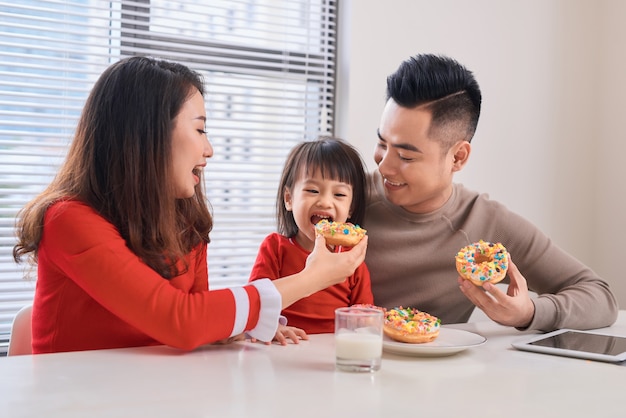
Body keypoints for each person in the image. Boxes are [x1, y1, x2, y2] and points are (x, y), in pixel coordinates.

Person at [12, 56, 367, 354]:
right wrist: (313, 278)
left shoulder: (185, 222)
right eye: (200, 130)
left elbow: (198, 323)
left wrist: (239, 325)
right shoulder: (68, 220)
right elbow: (180, 320)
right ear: (147, 135)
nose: (209, 149)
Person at [364, 53, 618, 331]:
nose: (384, 166)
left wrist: (528, 313)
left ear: (458, 157)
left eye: (405, 156)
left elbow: (600, 298)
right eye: (381, 143)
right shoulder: (342, 199)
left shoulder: (485, 224)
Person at [249, 137, 373, 341]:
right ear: (289, 199)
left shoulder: (351, 261)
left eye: (339, 194)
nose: (325, 201)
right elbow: (256, 302)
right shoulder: (275, 248)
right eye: (312, 190)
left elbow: (363, 315)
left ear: (351, 208)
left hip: (331, 352)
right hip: (285, 347)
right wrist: (270, 326)